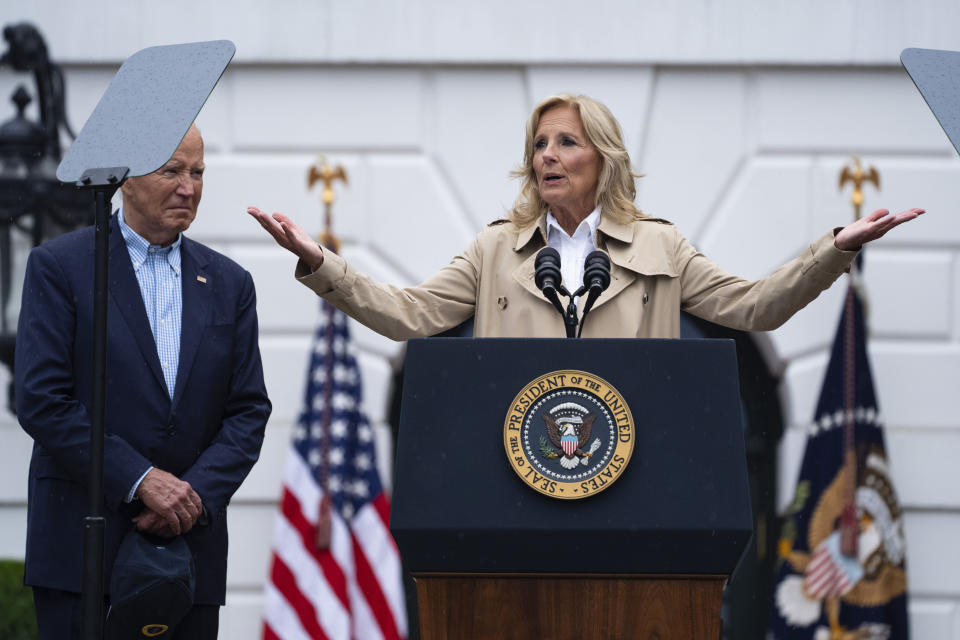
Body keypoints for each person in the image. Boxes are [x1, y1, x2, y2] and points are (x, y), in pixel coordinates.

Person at [247, 94, 923, 340]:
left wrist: (835, 248)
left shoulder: (660, 248)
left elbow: (755, 308)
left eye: (566, 142)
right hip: (515, 469)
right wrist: (319, 264)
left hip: (634, 471)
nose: (549, 156)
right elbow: (410, 315)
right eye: (539, 145)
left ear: (603, 159)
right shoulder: (496, 251)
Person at [15, 124, 271, 639]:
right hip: (81, 554)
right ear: (124, 179)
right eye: (171, 170)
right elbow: (42, 400)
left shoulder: (229, 284)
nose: (188, 187)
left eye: (198, 172)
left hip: (185, 557)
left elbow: (248, 412)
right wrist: (139, 479)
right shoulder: (61, 267)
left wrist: (190, 496)